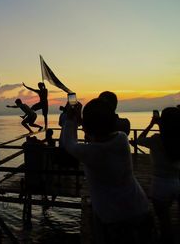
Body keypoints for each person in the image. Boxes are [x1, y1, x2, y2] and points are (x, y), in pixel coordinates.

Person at [60, 98, 152, 244]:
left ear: (88, 127)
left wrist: (71, 120)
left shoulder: (90, 152)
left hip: (113, 217)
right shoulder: (121, 139)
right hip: (140, 208)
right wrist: (84, 122)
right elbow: (98, 134)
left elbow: (69, 143)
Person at [137, 107, 180, 244]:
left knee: (164, 223)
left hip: (160, 185)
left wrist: (152, 124)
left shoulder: (156, 140)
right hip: (177, 182)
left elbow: (140, 139)